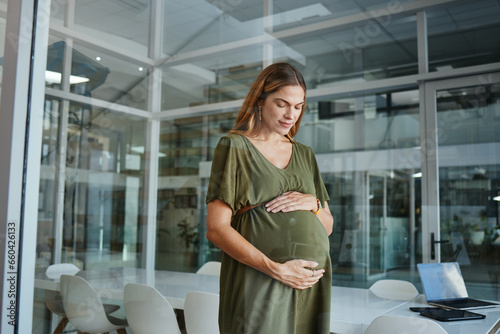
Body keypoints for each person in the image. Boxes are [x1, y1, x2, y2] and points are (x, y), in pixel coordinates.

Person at [205, 62, 334, 334]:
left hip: (309, 282)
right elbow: (216, 229)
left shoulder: (305, 154)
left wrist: (313, 205)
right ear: (260, 101)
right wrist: (276, 269)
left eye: (298, 107)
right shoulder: (234, 146)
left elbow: (328, 226)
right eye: (282, 104)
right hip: (261, 278)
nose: (291, 115)